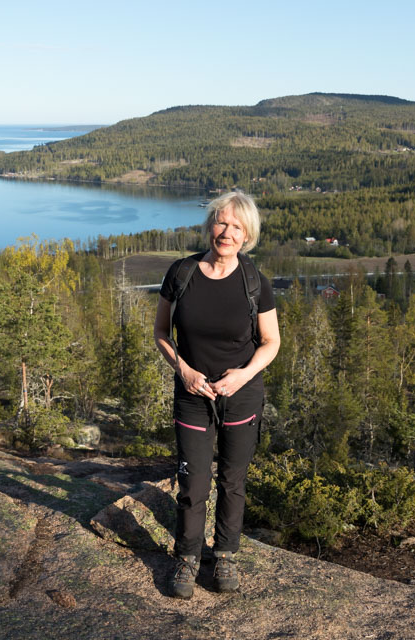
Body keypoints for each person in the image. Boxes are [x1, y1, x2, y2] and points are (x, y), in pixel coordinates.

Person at [153, 191, 280, 599]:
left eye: (237, 227)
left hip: (240, 395)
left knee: (232, 479)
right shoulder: (182, 273)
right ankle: (188, 557)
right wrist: (184, 370)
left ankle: (224, 554)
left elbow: (271, 342)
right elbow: (160, 333)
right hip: (192, 394)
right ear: (210, 225)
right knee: (192, 481)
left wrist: (242, 376)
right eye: (221, 223)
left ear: (248, 236)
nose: (227, 232)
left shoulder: (254, 281)